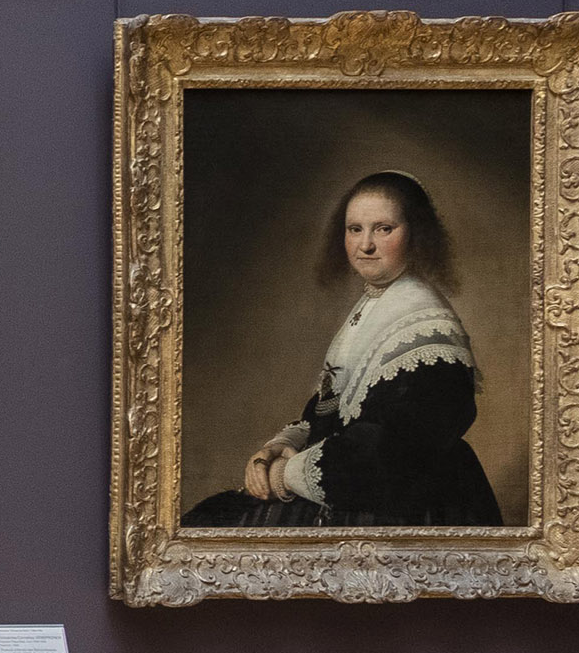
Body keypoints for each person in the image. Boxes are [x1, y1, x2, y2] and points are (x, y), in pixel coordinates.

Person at [183, 171, 502, 529]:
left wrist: (283, 476)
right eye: (355, 229)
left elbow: (389, 453)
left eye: (383, 229)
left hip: (405, 504)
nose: (365, 245)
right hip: (352, 481)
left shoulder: (424, 327)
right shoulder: (373, 306)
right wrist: (279, 446)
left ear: (416, 235)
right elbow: (329, 410)